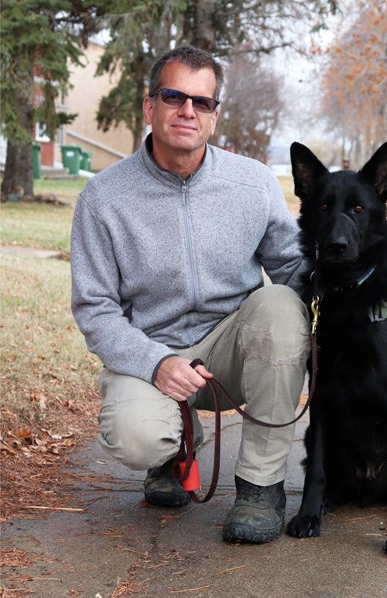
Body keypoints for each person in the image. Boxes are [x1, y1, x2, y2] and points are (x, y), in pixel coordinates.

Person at [70, 46, 310, 545]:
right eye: (174, 96)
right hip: (153, 353)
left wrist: (362, 271)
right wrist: (156, 362)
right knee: (136, 437)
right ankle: (173, 451)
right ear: (149, 106)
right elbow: (95, 307)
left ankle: (261, 487)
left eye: (201, 102)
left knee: (282, 305)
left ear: (215, 117)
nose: (187, 111)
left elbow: (293, 268)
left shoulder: (253, 182)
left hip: (233, 350)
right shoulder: (103, 197)